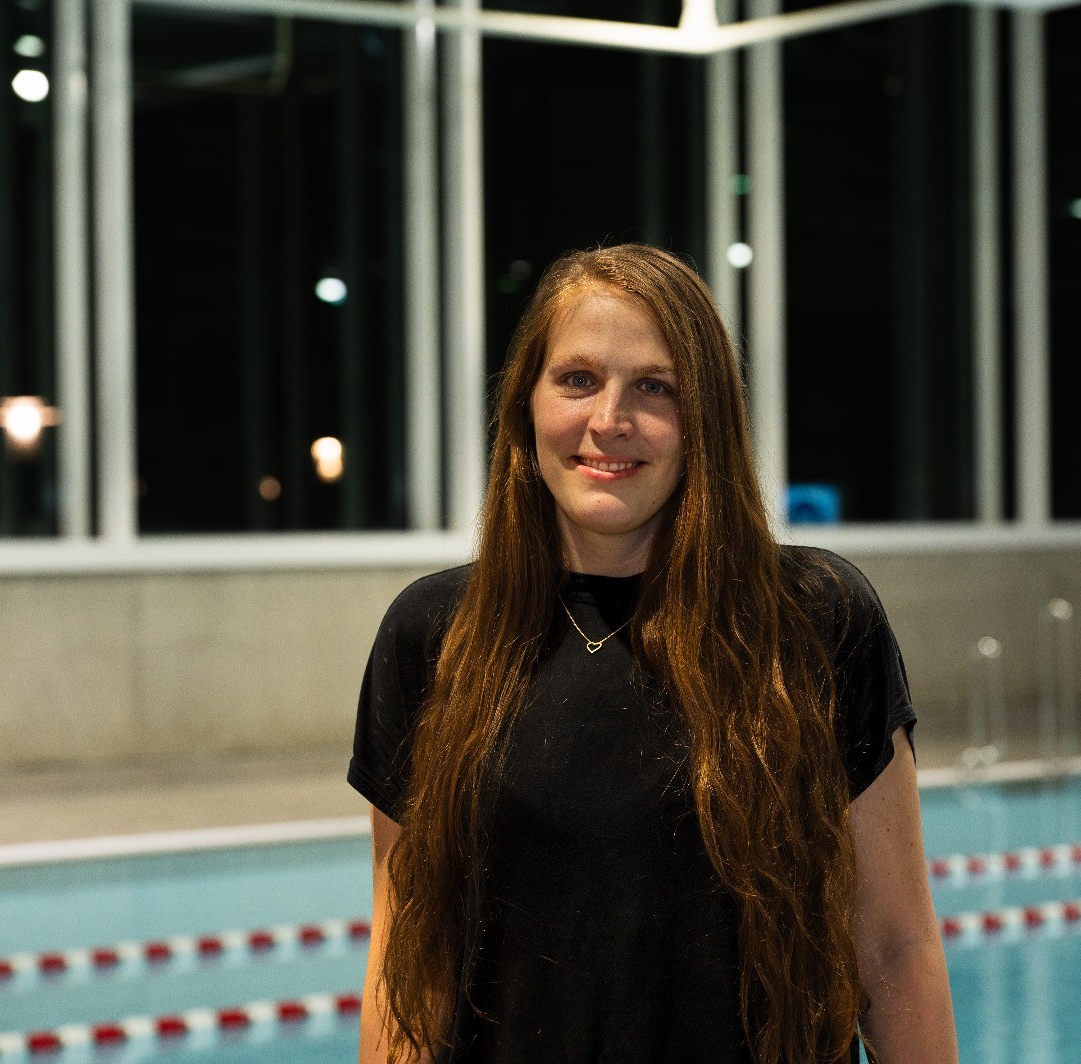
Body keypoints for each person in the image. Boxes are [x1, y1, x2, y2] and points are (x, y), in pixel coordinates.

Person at [348, 244, 957, 1064]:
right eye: (577, 380)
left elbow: (893, 948)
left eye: (654, 387)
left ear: (704, 417)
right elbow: (407, 956)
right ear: (526, 406)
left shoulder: (811, 620)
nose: (609, 420)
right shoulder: (437, 633)